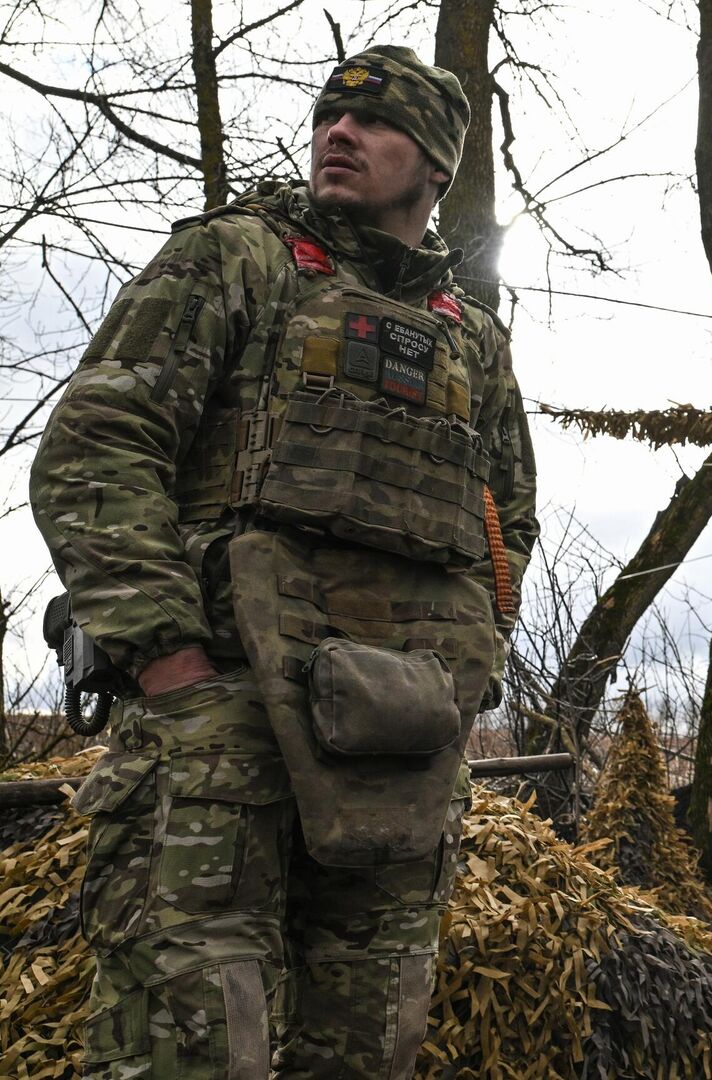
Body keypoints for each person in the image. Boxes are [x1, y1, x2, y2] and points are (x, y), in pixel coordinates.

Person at [30, 45, 537, 1078]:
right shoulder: (238, 260)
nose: (337, 135)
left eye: (375, 122)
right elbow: (99, 444)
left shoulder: (471, 340)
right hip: (220, 727)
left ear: (436, 166)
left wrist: (453, 682)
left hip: (395, 746)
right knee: (194, 1042)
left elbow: (506, 523)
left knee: (367, 1048)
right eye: (328, 118)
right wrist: (168, 661)